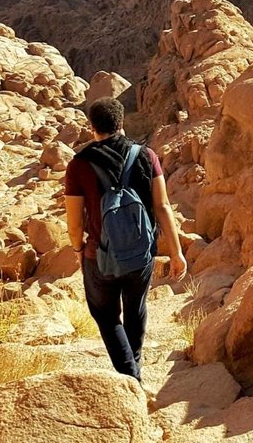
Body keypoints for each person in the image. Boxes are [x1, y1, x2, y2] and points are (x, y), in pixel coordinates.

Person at [63, 97, 187, 381]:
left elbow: (74, 221)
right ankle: (136, 369)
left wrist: (78, 247)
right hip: (141, 253)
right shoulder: (146, 155)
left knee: (106, 316)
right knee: (136, 309)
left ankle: (129, 377)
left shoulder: (79, 164)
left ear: (92, 126)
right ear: (121, 123)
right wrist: (176, 252)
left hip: (99, 255)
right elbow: (163, 206)